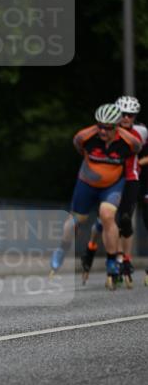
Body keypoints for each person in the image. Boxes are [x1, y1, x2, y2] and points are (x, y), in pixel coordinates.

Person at [50, 103, 141, 289]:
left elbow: (136, 153)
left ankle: (111, 261)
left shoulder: (130, 142)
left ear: (116, 127)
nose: (102, 131)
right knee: (74, 222)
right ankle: (62, 249)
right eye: (99, 125)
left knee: (108, 216)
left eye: (107, 127)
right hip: (87, 183)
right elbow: (78, 146)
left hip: (112, 185)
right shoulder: (85, 137)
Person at [80, 95, 148, 286]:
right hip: (110, 179)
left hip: (131, 178)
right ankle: (91, 247)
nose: (126, 118)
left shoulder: (141, 132)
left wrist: (139, 163)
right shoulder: (105, 131)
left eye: (130, 115)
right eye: (123, 114)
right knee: (105, 220)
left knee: (124, 220)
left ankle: (123, 259)